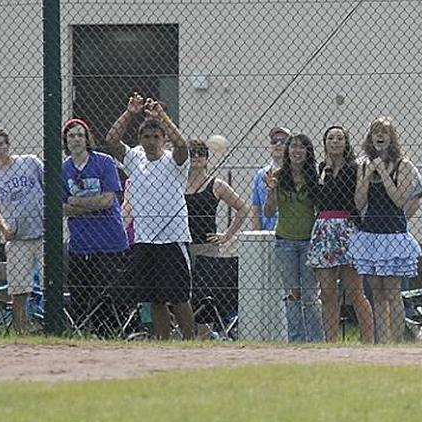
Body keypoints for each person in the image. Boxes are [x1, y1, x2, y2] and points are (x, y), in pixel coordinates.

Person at [105, 93, 195, 340]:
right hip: (145, 240)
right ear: (140, 139)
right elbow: (111, 140)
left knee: (178, 297)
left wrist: (161, 116)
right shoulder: (134, 158)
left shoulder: (174, 162)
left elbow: (182, 145)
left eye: (156, 137)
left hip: (173, 239)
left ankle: (190, 341)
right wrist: (130, 112)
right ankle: (162, 342)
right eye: (146, 136)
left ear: (163, 139)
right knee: (154, 298)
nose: (151, 141)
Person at [350, 117, 421, 343]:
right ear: (370, 138)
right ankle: (383, 341)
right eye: (375, 132)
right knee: (376, 291)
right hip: (371, 233)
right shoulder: (363, 165)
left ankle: (398, 341)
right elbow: (359, 202)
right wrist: (369, 175)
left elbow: (401, 200)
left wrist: (383, 172)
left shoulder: (404, 165)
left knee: (392, 290)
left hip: (394, 234)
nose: (380, 136)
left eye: (385, 133)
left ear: (392, 139)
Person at [306, 125, 375, 343]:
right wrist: (324, 172)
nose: (335, 141)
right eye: (331, 138)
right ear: (325, 142)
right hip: (323, 230)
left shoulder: (353, 168)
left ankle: (367, 340)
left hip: (347, 229)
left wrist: (327, 175)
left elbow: (339, 194)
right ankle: (331, 342)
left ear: (346, 143)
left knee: (356, 292)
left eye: (339, 138)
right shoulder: (319, 168)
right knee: (327, 293)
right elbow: (318, 198)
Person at [62, 118, 130, 336]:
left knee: (108, 297)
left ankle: (109, 335)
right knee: (80, 296)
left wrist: (77, 202)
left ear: (87, 138)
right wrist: (89, 203)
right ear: (65, 140)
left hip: (109, 243)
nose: (76, 139)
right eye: (71, 135)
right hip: (80, 244)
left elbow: (108, 200)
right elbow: (62, 207)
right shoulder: (63, 169)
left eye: (80, 135)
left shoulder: (104, 162)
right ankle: (84, 335)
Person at [185, 138, 250, 334]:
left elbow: (243, 208)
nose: (196, 157)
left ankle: (205, 336)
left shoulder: (216, 185)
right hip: (180, 245)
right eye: (192, 153)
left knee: (204, 293)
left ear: (207, 159)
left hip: (206, 246)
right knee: (183, 293)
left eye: (200, 153)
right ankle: (186, 333)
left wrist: (227, 235)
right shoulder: (176, 183)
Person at [264, 133, 322, 343]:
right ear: (287, 151)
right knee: (292, 294)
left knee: (309, 295)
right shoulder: (278, 176)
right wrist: (271, 192)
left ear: (308, 152)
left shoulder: (314, 178)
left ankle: (315, 340)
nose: (297, 151)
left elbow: (318, 209)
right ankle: (296, 339)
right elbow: (269, 212)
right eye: (293, 147)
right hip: (285, 241)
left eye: (302, 147)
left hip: (308, 241)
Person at [0, 127, 43, 333]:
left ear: (8, 145)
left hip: (44, 234)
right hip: (18, 238)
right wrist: (4, 228)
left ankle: (50, 326)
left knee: (50, 283)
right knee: (18, 289)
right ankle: (21, 330)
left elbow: (52, 185)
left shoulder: (30, 162)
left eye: (1, 143)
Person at [251, 126, 291, 231]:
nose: (278, 144)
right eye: (274, 141)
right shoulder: (261, 175)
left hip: (290, 232)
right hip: (267, 230)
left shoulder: (295, 173)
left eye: (283, 141)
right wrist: (256, 234)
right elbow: (256, 208)